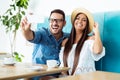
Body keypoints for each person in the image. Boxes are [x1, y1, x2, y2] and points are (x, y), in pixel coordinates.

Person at [21, 9, 69, 80]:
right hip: (39, 76)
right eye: (52, 20)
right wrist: (26, 31)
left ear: (64, 23)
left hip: (58, 77)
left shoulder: (68, 37)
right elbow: (31, 36)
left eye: (58, 20)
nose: (55, 23)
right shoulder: (42, 33)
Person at [59, 8, 105, 76]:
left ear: (87, 24)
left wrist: (96, 31)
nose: (80, 21)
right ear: (74, 21)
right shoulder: (65, 42)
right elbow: (63, 65)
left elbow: (97, 51)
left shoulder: (90, 40)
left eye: (84, 20)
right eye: (77, 18)